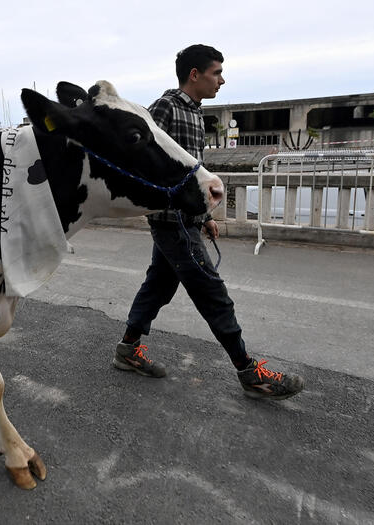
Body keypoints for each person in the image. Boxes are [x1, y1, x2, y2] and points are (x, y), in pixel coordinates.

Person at [113, 44, 304, 400]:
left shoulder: (198, 115)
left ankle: (127, 349)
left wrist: (204, 218)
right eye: (216, 72)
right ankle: (249, 373)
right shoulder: (165, 108)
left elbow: (194, 175)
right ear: (195, 74)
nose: (222, 80)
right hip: (170, 221)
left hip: (186, 220)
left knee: (159, 286)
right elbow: (140, 157)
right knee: (212, 293)